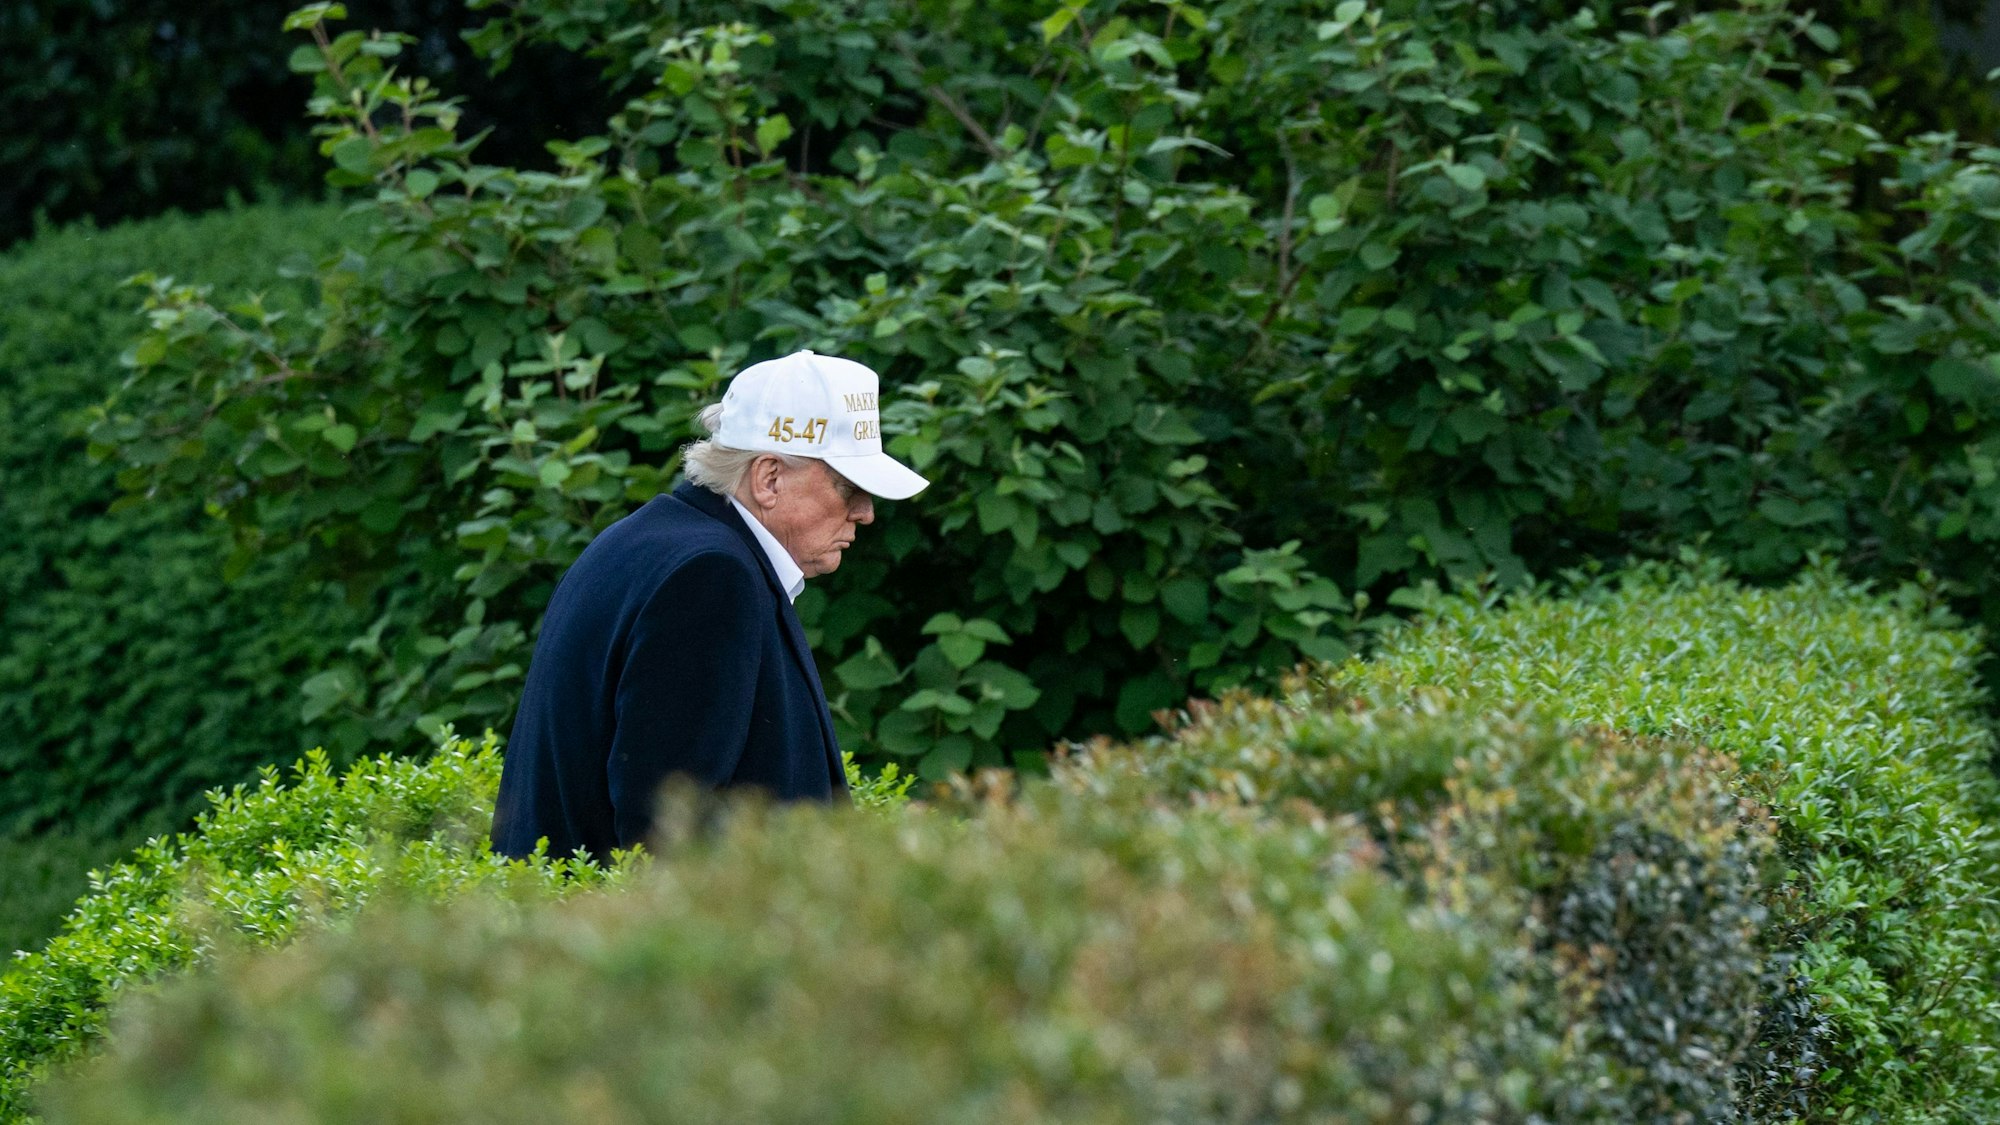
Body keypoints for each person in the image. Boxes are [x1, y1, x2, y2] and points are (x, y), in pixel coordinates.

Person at [490, 350, 930, 860]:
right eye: (849, 487)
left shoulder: (653, 543)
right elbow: (668, 832)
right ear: (769, 478)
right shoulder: (710, 577)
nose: (866, 512)